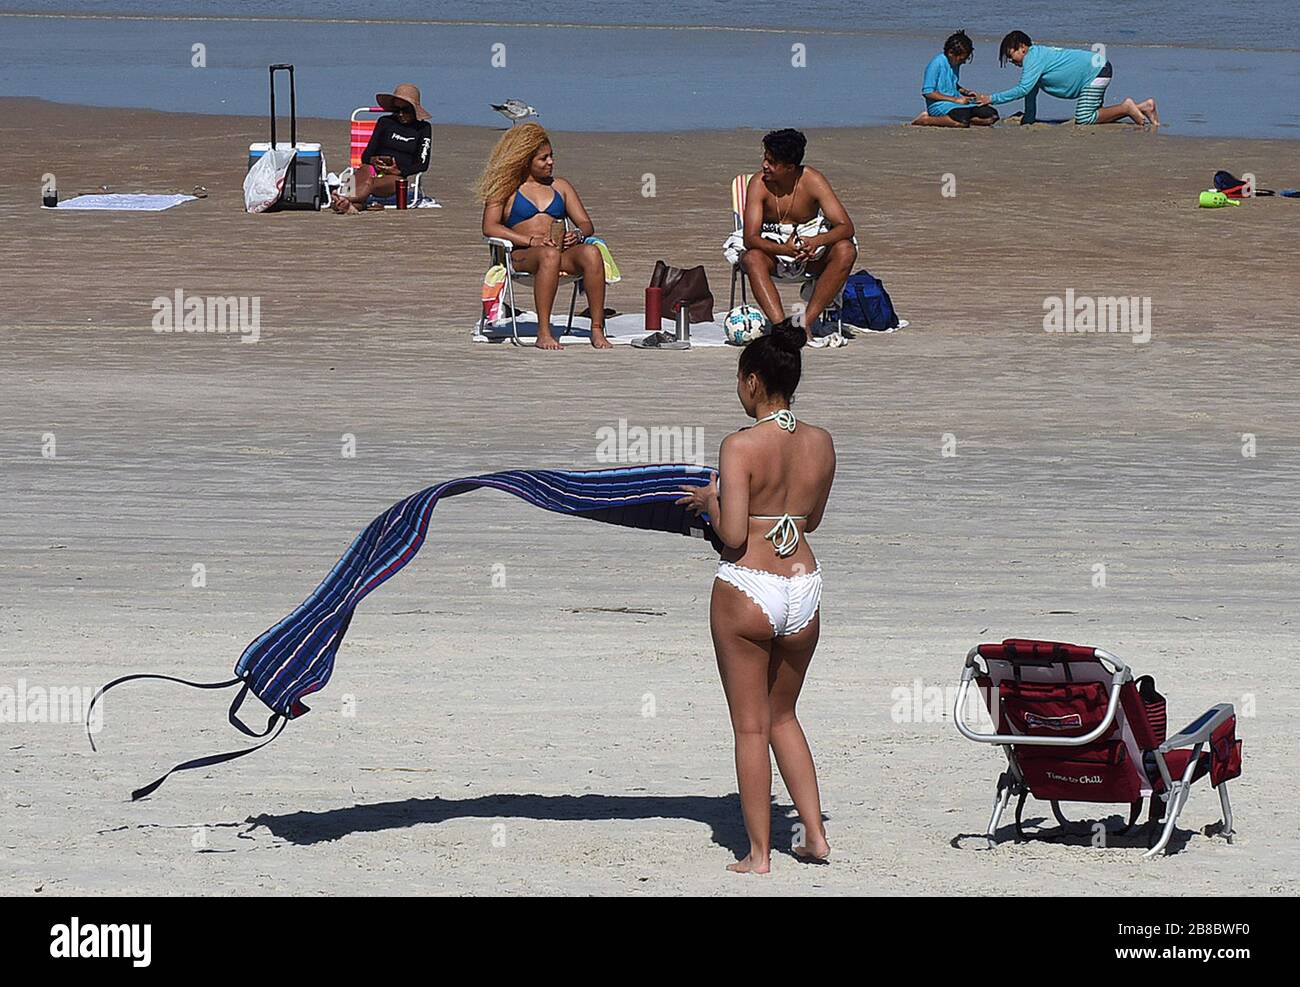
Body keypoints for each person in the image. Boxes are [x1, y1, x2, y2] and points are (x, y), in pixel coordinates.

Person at [676, 321, 836, 874]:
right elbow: (811, 518)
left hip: (750, 585)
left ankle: (759, 854)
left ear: (752, 382)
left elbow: (736, 535)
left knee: (750, 726)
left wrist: (707, 502)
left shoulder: (739, 445)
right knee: (784, 715)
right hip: (804, 584)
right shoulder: (821, 441)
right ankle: (814, 834)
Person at [477, 123, 612, 350]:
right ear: (525, 160)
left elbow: (587, 224)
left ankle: (597, 328)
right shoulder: (505, 188)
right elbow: (489, 227)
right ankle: (544, 332)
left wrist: (578, 234)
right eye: (543, 158)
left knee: (592, 252)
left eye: (551, 156)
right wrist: (531, 241)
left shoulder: (560, 186)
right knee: (548, 255)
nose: (551, 162)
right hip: (521, 256)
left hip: (559, 253)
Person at [734, 130, 856, 343]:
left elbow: (846, 227)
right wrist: (784, 249)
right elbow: (750, 238)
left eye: (771, 162)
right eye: (765, 158)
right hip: (774, 254)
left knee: (846, 249)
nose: (764, 165)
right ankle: (782, 328)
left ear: (790, 167)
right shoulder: (759, 183)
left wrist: (816, 242)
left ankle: (806, 323)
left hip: (809, 256)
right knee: (752, 257)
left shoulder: (812, 180)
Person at [977, 31, 1159, 127]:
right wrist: (1029, 119)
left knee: (1084, 118)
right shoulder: (1036, 59)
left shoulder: (1032, 57)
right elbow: (1030, 95)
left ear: (1022, 47)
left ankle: (1127, 108)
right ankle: (1144, 107)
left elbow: (1023, 89)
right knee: (1096, 113)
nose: (1011, 61)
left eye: (1011, 55)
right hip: (1098, 67)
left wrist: (991, 98)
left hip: (1096, 71)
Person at [331, 83, 433, 213]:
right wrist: (374, 160)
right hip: (373, 168)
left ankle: (342, 199)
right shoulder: (385, 122)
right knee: (364, 171)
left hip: (396, 176)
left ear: (414, 110)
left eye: (405, 110)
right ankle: (351, 207)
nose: (401, 114)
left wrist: (399, 170)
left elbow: (422, 164)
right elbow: (366, 156)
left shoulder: (423, 129)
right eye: (397, 110)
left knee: (370, 183)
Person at [912, 30, 999, 128]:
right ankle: (926, 120)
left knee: (992, 115)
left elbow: (952, 84)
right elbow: (928, 92)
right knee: (962, 121)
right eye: (962, 59)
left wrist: (965, 92)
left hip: (958, 104)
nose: (964, 62)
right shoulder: (936, 63)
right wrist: (955, 99)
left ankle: (956, 120)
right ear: (950, 53)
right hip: (940, 105)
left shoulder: (955, 63)